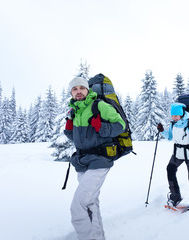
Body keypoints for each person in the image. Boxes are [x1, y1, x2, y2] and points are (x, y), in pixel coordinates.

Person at [64, 77, 126, 240]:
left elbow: (120, 126)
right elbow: (79, 138)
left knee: (78, 207)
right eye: (74, 89)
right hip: (82, 162)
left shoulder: (99, 106)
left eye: (81, 88)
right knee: (91, 203)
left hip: (99, 160)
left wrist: (102, 126)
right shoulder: (74, 110)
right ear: (71, 92)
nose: (78, 91)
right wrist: (69, 129)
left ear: (87, 90)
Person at [157, 102, 189, 208]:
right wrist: (162, 131)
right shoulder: (173, 124)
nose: (174, 118)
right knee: (170, 170)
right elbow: (169, 137)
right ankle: (175, 196)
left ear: (182, 114)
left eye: (176, 115)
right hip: (178, 153)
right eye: (172, 115)